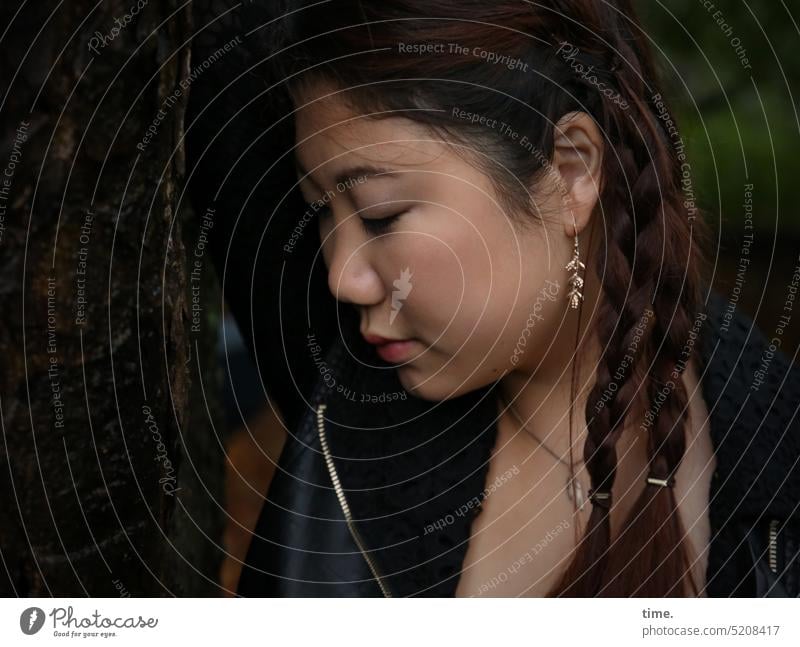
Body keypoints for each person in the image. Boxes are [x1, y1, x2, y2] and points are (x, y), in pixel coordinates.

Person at [192, 0, 800, 596]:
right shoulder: (344, 415)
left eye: (381, 215)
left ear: (571, 171)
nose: (343, 278)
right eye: (321, 212)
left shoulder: (772, 458)